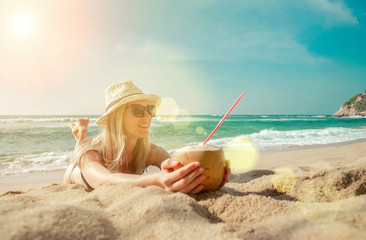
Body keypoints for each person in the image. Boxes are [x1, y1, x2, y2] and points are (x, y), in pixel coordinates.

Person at [63, 81, 230, 194]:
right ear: (117, 117)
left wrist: (201, 176)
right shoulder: (91, 153)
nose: (148, 117)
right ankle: (80, 136)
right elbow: (103, 181)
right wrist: (157, 179)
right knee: (81, 147)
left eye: (150, 109)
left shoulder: (153, 151)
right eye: (138, 110)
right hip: (75, 173)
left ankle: (80, 133)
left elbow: (171, 170)